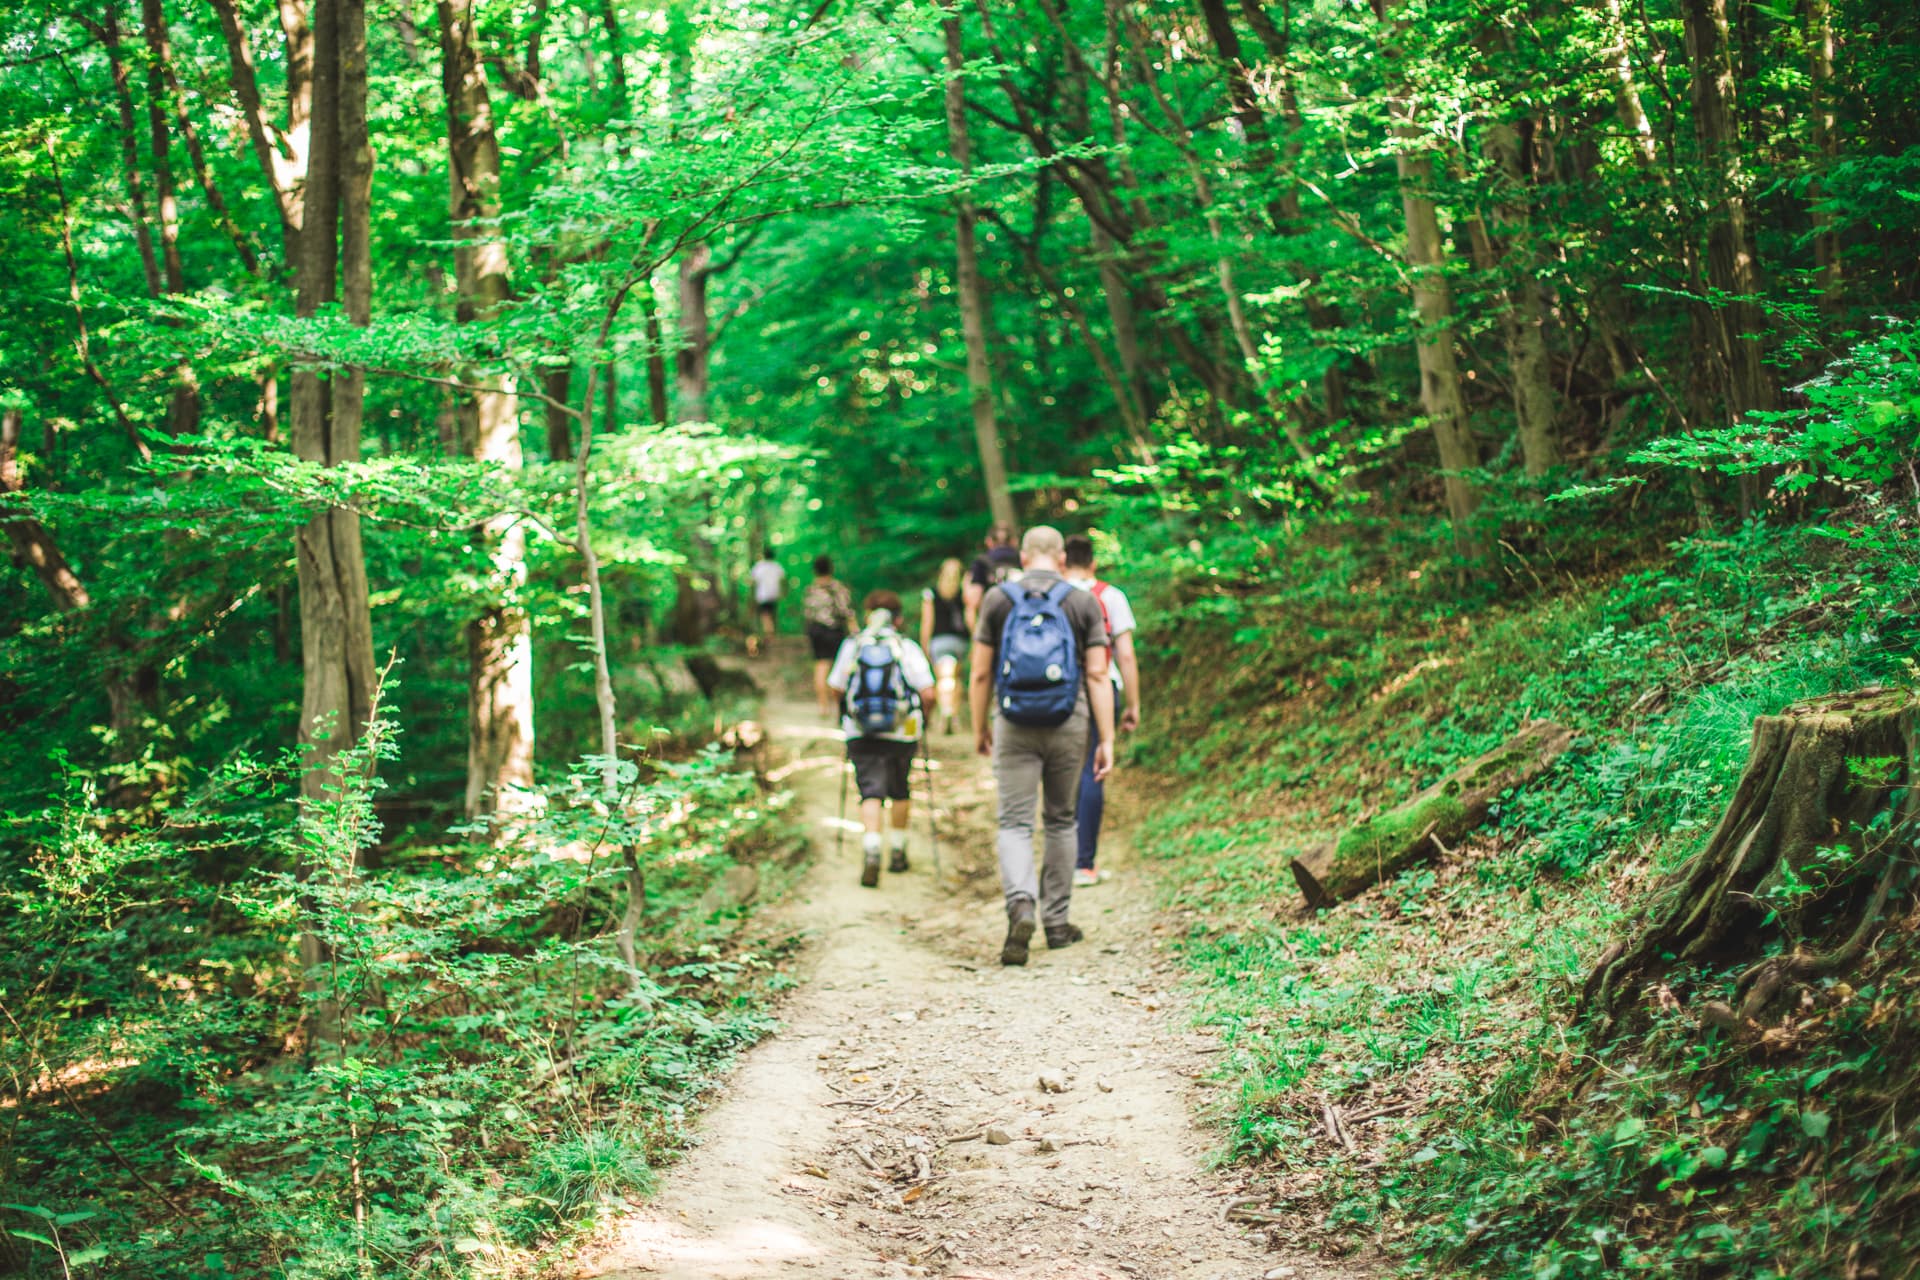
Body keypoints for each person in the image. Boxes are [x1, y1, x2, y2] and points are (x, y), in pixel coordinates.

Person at [970, 526, 1114, 966]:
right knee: (1061, 820)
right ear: (1061, 555)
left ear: (1026, 554)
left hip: (1013, 721)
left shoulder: (998, 599)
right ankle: (1056, 922)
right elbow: (1096, 675)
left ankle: (1021, 905)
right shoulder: (1083, 600)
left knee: (1014, 822)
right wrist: (1105, 737)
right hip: (1069, 721)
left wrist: (980, 726)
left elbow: (979, 673)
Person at [829, 591, 937, 887]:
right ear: (898, 618)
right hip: (902, 731)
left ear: (868, 615)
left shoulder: (852, 646)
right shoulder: (906, 647)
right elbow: (928, 691)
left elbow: (836, 687)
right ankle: (899, 851)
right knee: (899, 788)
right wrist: (924, 718)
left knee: (870, 790)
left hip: (860, 730)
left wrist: (846, 712)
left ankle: (872, 849)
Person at [1062, 535, 1142, 887]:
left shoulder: (1053, 594)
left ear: (1064, 562)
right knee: (1093, 769)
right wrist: (1134, 703)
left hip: (1059, 692)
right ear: (1093, 563)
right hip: (1102, 689)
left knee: (1063, 772)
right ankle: (1084, 865)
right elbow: (1124, 654)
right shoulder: (1110, 596)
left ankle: (1060, 864)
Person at [920, 557, 970, 734]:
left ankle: (945, 712)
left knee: (942, 679)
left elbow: (928, 621)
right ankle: (954, 716)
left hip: (939, 641)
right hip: (960, 642)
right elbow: (970, 619)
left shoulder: (931, 593)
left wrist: (924, 645)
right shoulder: (965, 593)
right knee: (955, 679)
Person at [803, 556, 855, 718]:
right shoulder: (837, 588)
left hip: (815, 631)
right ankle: (841, 706)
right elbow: (846, 611)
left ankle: (823, 706)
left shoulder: (810, 589)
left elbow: (807, 613)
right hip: (833, 630)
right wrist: (855, 631)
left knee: (821, 666)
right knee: (841, 667)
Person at [963, 523, 1023, 633]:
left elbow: (973, 602)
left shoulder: (981, 562)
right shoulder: (1023, 559)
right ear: (1014, 541)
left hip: (994, 625)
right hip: (1021, 623)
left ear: (989, 541)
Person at [747, 546, 785, 654]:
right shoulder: (777, 566)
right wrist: (782, 592)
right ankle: (771, 635)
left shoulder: (759, 566)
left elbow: (752, 581)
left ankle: (769, 635)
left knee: (765, 616)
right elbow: (783, 579)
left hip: (762, 595)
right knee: (771, 615)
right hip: (774, 594)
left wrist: (752, 596)